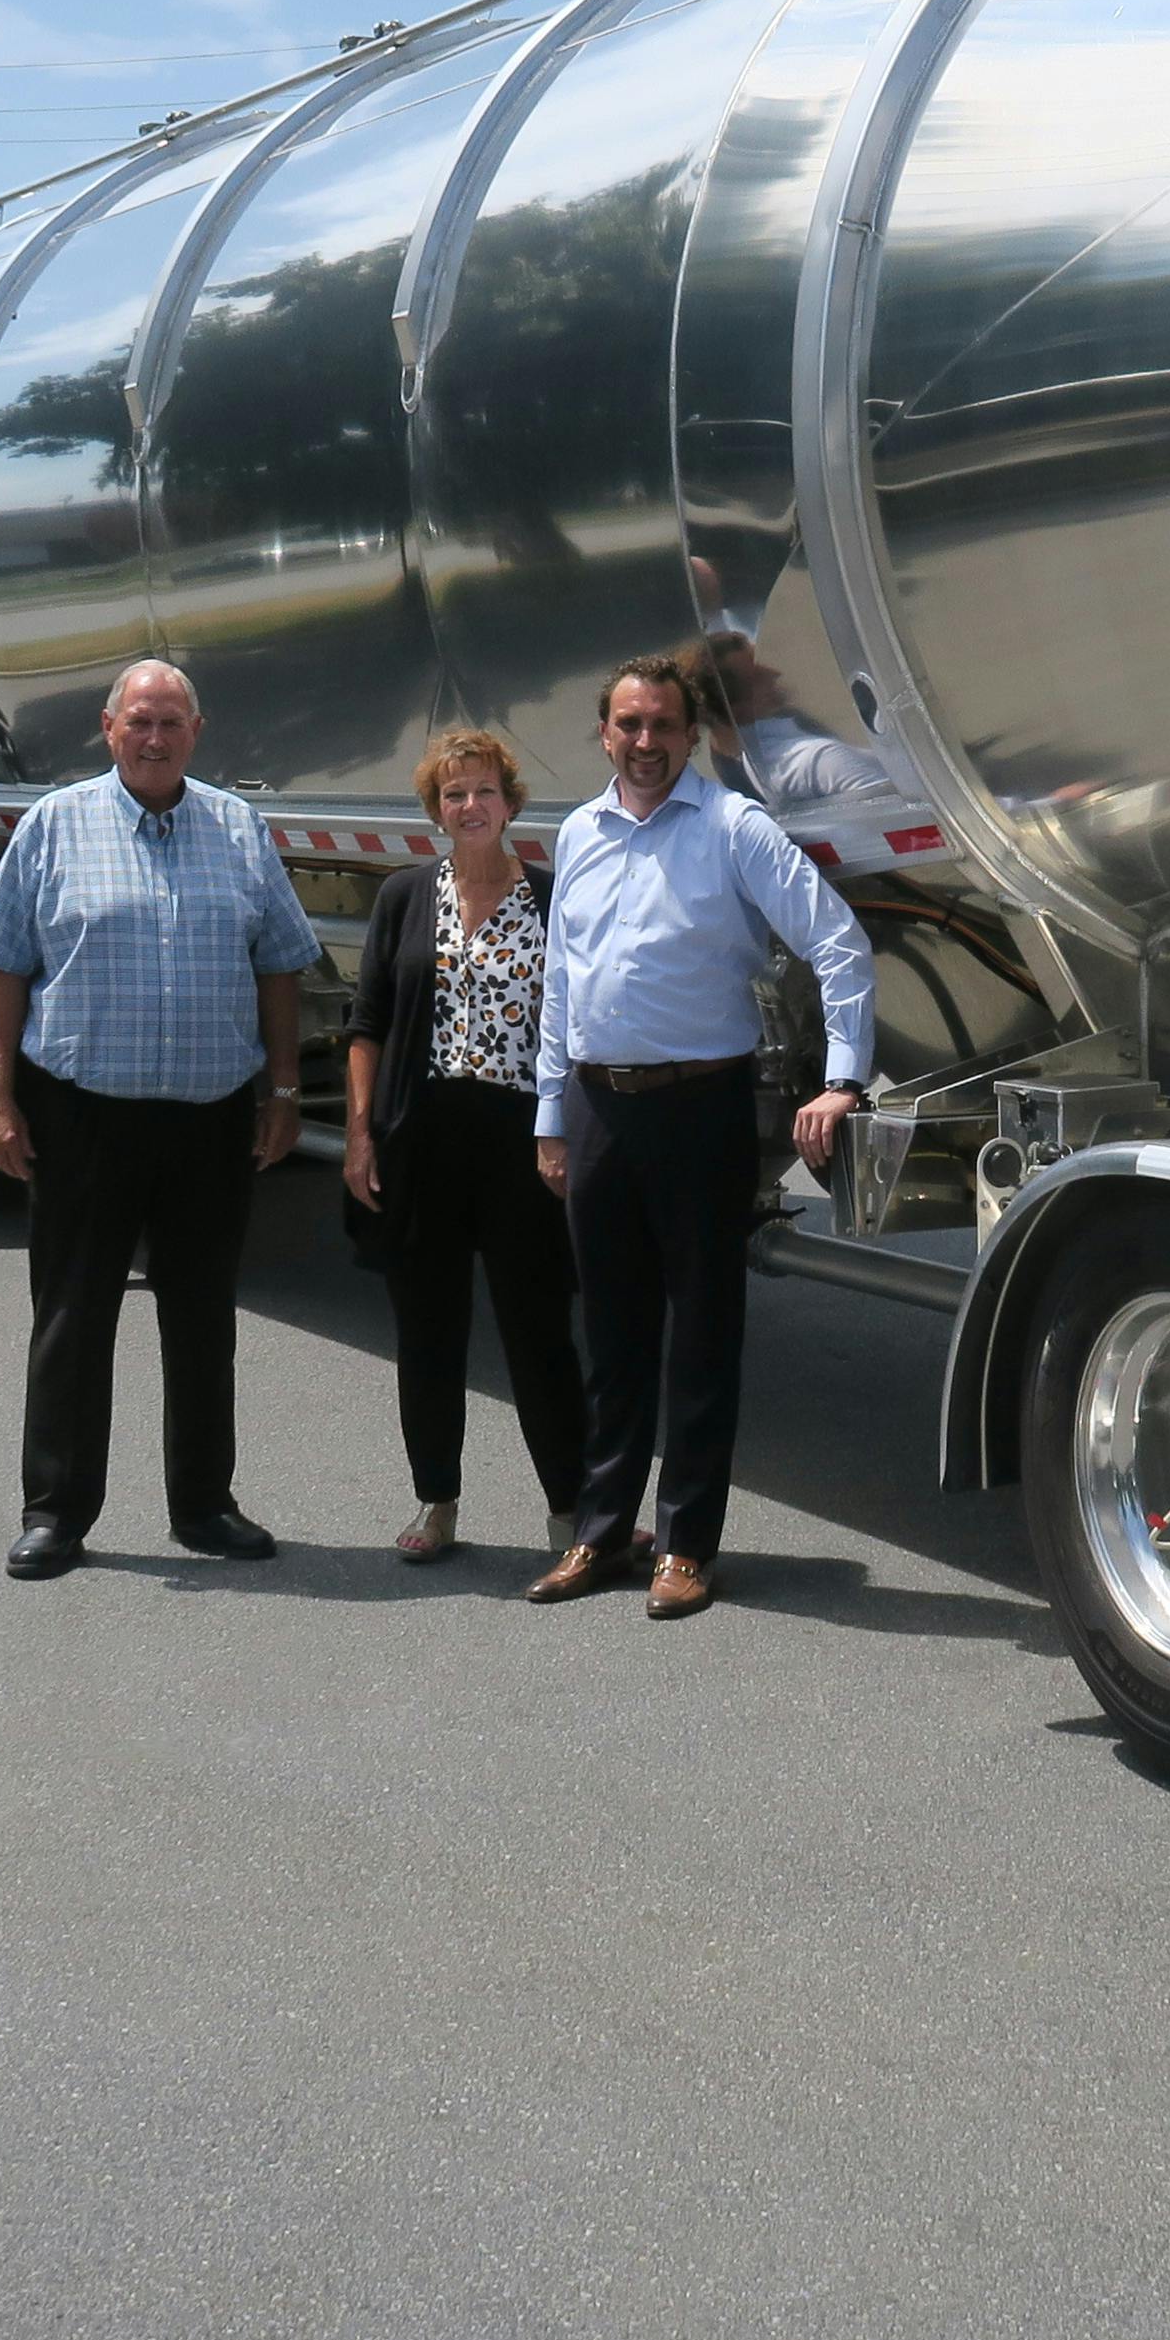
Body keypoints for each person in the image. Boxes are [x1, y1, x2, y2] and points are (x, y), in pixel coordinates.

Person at [521, 652, 879, 1619]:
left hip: (700, 1109)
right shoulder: (578, 834)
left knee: (701, 1338)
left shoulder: (733, 827)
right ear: (604, 733)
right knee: (611, 1337)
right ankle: (601, 1533)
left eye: (663, 726)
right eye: (629, 724)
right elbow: (562, 986)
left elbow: (837, 941)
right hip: (598, 1109)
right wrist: (552, 1118)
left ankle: (685, 1546)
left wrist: (844, 1078)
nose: (646, 742)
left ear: (689, 735)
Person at [0, 658, 317, 1578]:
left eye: (171, 723)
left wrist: (285, 1091)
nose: (154, 738)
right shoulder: (54, 826)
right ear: (109, 727)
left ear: (196, 733)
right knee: (73, 1317)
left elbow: (279, 965)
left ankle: (204, 1505)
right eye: (140, 722)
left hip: (208, 1119)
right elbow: (2, 966)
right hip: (84, 1117)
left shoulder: (238, 829)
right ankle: (56, 1512)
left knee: (202, 1320)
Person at [345, 728, 584, 1565]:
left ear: (510, 803)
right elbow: (369, 1022)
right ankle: (436, 1500)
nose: (470, 805)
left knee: (538, 1329)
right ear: (435, 810)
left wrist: (566, 1132)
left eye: (484, 791)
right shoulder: (405, 895)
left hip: (520, 1140)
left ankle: (571, 1511)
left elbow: (581, 1025)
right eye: (454, 794)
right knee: (427, 1329)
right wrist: (361, 1135)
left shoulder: (553, 898)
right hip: (422, 1137)